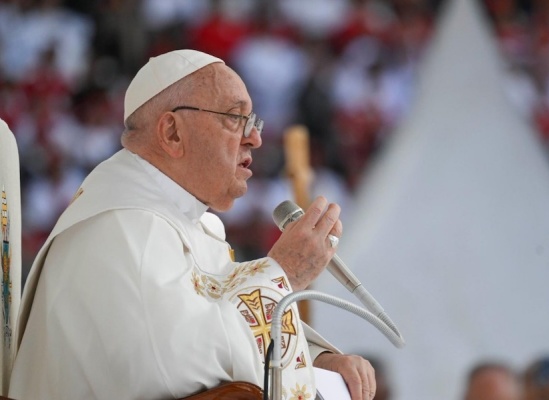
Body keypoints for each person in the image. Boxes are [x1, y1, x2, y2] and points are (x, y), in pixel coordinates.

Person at [8, 49, 375, 400]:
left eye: (254, 121)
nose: (256, 137)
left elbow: (218, 321)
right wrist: (285, 274)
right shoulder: (125, 225)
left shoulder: (190, 224)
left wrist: (317, 361)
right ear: (172, 133)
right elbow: (174, 367)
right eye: (235, 118)